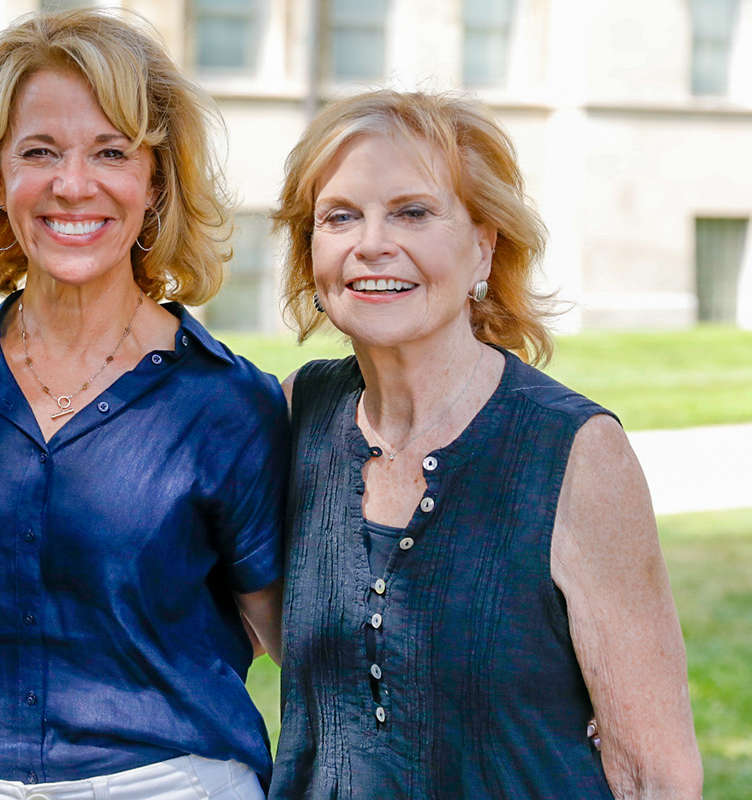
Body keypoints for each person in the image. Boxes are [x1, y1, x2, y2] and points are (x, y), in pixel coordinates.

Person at [0, 9, 287, 800]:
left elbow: (290, 641)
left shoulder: (227, 403)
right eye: (40, 153)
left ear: (155, 181)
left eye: (111, 152)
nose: (72, 184)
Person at [268, 90, 703, 799]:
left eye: (412, 212)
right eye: (340, 216)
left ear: (483, 244)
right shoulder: (297, 416)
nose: (371, 242)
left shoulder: (575, 453)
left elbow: (656, 773)